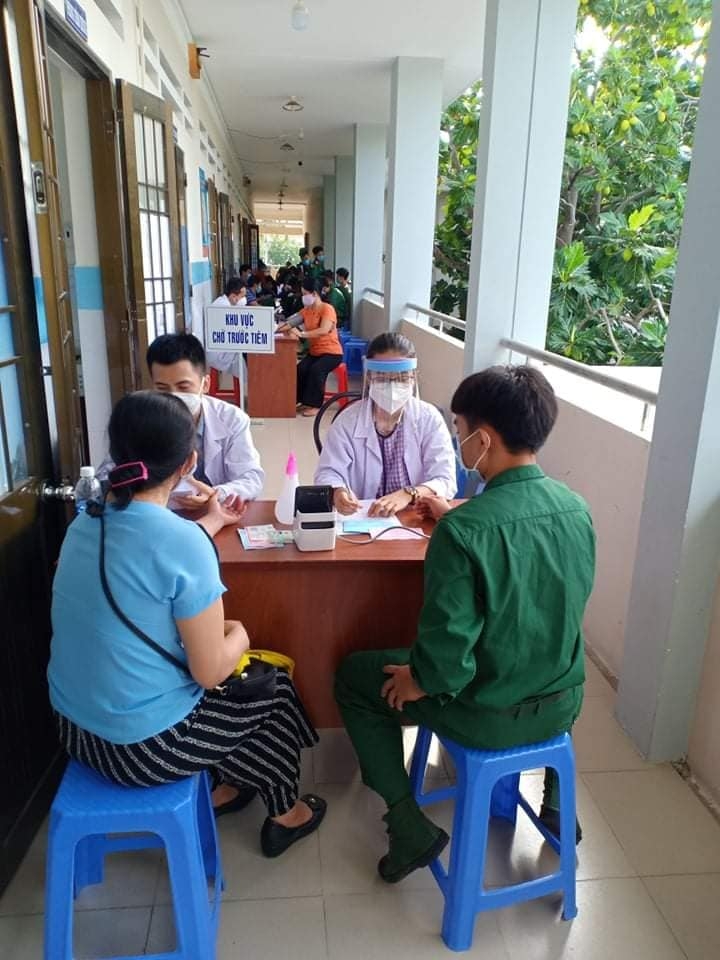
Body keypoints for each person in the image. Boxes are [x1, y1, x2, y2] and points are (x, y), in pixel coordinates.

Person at [334, 365, 595, 882]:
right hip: (563, 703)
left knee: (356, 676)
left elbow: (447, 663)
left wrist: (415, 680)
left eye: (460, 430)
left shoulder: (462, 532)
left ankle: (406, 826)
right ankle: (557, 802)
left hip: (489, 714)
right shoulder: (576, 508)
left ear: (484, 439)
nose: (459, 442)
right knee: (542, 639)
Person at [49, 391, 326, 856]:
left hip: (75, 733)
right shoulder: (184, 544)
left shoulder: (84, 523)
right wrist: (240, 633)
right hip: (140, 751)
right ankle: (285, 812)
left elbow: (147, 563)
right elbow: (210, 672)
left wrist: (211, 524)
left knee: (230, 690)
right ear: (189, 463)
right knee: (271, 687)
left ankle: (231, 784)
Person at [314, 332, 456, 517]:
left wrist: (408, 494)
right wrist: (338, 491)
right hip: (364, 516)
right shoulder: (347, 421)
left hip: (415, 515)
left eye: (401, 377)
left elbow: (445, 479)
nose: (392, 386)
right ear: (369, 377)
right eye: (382, 377)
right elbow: (328, 472)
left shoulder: (429, 419)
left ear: (414, 377)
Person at [145, 333, 264, 510]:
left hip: (217, 512)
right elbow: (110, 478)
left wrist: (216, 494)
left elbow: (251, 479)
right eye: (162, 389)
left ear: (205, 384)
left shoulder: (232, 418)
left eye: (183, 387)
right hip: (159, 514)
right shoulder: (139, 420)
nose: (174, 397)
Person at [277, 277, 343, 417]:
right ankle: (303, 401)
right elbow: (289, 323)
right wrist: (275, 328)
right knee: (300, 369)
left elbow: (324, 330)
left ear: (314, 293)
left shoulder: (327, 309)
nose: (303, 297)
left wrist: (302, 334)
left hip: (332, 353)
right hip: (315, 352)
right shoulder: (306, 311)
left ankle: (315, 405)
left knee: (316, 370)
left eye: (304, 293)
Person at [208, 277, 247, 377]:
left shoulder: (223, 302)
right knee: (245, 354)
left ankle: (247, 379)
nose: (244, 300)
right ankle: (248, 380)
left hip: (221, 348)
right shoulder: (224, 306)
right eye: (242, 296)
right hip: (219, 355)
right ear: (233, 296)